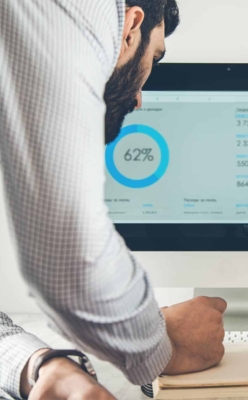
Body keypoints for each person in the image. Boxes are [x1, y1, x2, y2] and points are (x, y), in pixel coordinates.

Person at [0, 0, 226, 399]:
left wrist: (39, 365)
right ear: (130, 26)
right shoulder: (79, 11)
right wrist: (161, 347)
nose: (140, 99)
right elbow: (69, 262)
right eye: (152, 58)